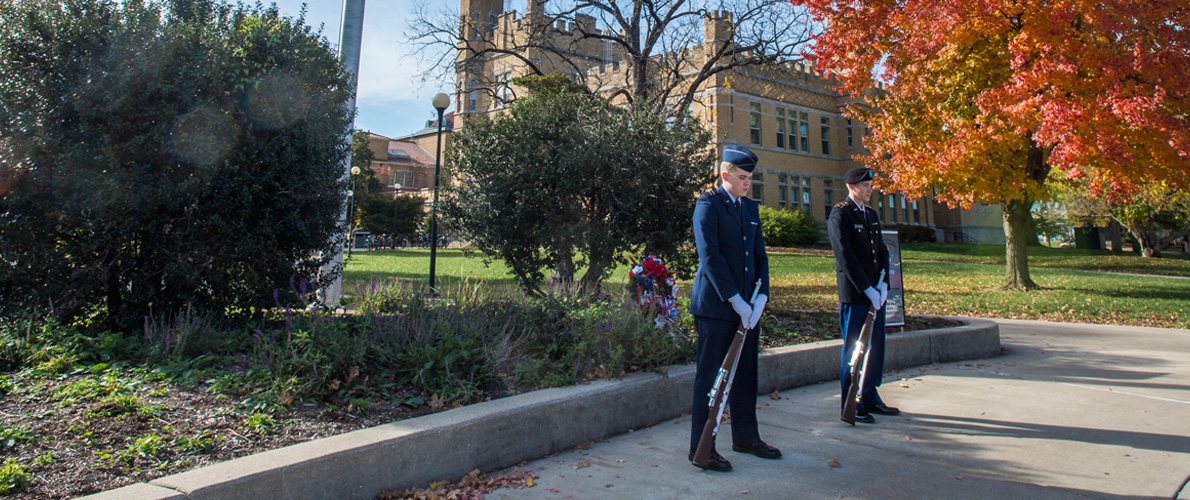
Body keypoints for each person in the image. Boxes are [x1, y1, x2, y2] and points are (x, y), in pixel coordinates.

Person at [687, 145, 779, 472]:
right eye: (742, 177)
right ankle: (702, 446)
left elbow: (759, 257)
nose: (747, 183)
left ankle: (746, 437)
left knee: (745, 377)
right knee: (710, 378)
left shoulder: (749, 210)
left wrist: (761, 297)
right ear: (725, 174)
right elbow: (710, 256)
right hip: (716, 307)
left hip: (747, 311)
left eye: (750, 178)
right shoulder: (708, 204)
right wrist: (735, 299)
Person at [828, 167, 899, 424]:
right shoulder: (841, 214)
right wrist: (865, 287)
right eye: (866, 185)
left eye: (871, 185)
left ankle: (869, 395)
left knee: (875, 346)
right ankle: (850, 400)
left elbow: (881, 251)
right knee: (853, 349)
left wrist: (882, 286)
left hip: (874, 294)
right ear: (852, 186)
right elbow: (845, 255)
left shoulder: (871, 215)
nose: (871, 189)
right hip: (855, 295)